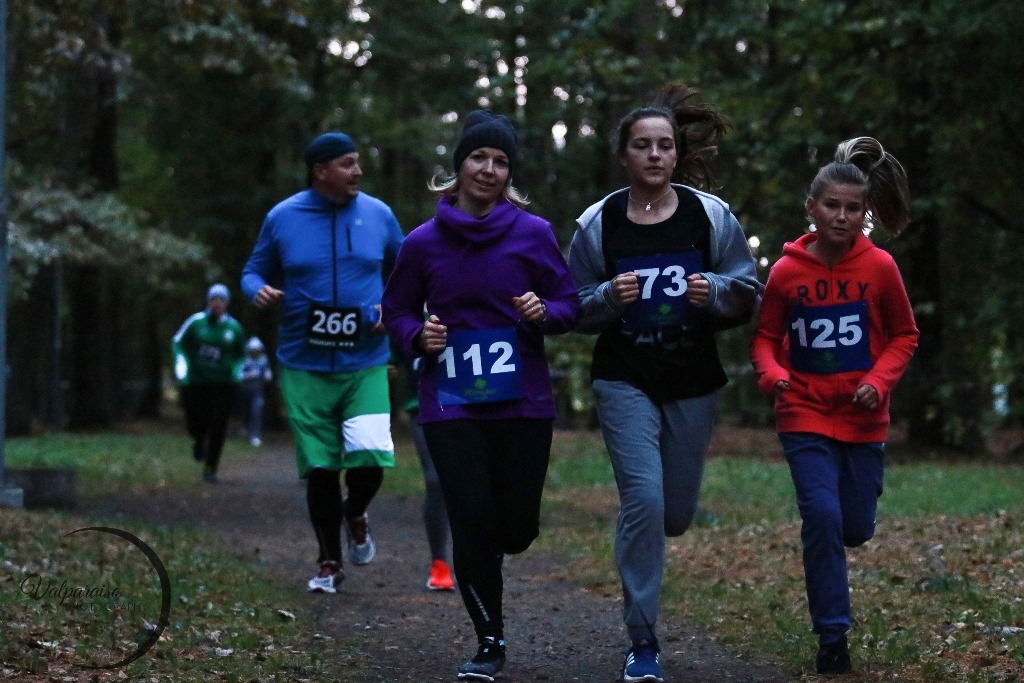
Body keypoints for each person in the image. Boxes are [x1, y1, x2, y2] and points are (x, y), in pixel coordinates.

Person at [567, 84, 761, 683]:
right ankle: (642, 639)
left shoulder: (711, 216)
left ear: (677, 155)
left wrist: (716, 292)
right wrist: (606, 297)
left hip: (692, 378)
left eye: (665, 145)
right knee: (644, 503)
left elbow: (748, 289)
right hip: (625, 377)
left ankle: (647, 558)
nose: (654, 155)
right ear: (624, 156)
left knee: (675, 513)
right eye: (642, 146)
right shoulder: (598, 224)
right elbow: (571, 305)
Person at [381, 110, 579, 681]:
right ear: (459, 166)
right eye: (479, 158)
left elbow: (569, 304)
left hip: (523, 401)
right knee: (470, 516)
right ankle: (488, 639)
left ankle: (498, 552)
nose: (489, 170)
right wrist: (419, 336)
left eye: (500, 161)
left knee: (514, 528)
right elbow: (394, 311)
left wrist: (546, 313)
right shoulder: (422, 243)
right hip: (452, 402)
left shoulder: (533, 233)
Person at [750, 137, 918, 675]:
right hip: (803, 413)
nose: (842, 217)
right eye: (832, 206)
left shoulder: (881, 268)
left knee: (854, 527)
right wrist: (774, 375)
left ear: (864, 213)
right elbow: (764, 338)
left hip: (864, 416)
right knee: (821, 518)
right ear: (812, 208)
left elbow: (904, 334)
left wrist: (879, 379)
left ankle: (850, 529)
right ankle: (832, 637)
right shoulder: (785, 273)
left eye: (852, 208)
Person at [241, 131, 404, 594]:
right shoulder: (283, 217)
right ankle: (329, 561)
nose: (358, 172)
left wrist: (391, 308)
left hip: (366, 361)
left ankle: (356, 512)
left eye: (358, 163)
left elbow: (409, 268)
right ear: (320, 171)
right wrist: (257, 290)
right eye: (348, 164)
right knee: (321, 468)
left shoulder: (378, 214)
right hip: (304, 362)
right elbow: (253, 269)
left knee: (371, 461)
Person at [392, 348, 455, 592]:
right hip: (424, 405)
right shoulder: (410, 312)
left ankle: (481, 558)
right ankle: (439, 563)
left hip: (473, 401)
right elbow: (387, 348)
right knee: (436, 480)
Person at [171, 283, 247, 484]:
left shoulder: (234, 328)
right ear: (208, 301)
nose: (217, 303)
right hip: (197, 381)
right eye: (214, 299)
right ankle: (198, 440)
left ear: (227, 304)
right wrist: (182, 367)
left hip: (223, 384)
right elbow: (178, 342)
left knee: (219, 424)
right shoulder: (196, 323)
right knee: (196, 418)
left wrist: (236, 372)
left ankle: (210, 468)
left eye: (222, 300)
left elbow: (241, 355)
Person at [241, 336, 273, 447]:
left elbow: (268, 374)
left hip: (258, 391)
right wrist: (248, 375)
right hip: (245, 391)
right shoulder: (245, 360)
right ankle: (246, 431)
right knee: (247, 412)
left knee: (257, 412)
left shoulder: (263, 360)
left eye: (257, 350)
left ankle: (256, 436)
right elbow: (238, 374)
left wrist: (268, 376)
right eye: (253, 350)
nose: (255, 352)